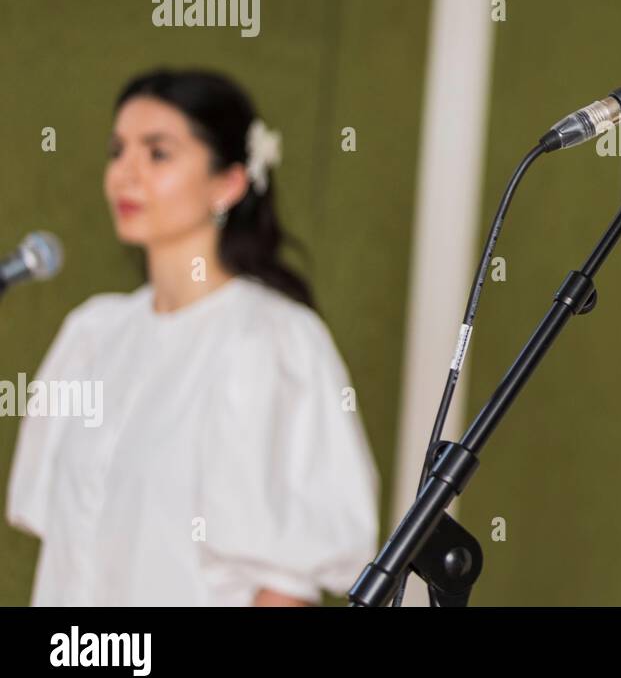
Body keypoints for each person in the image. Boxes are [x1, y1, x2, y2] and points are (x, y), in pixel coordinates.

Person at [5, 69, 380, 606]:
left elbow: (287, 584)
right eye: (117, 151)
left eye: (157, 154)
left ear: (227, 183)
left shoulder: (272, 339)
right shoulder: (92, 334)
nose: (125, 175)